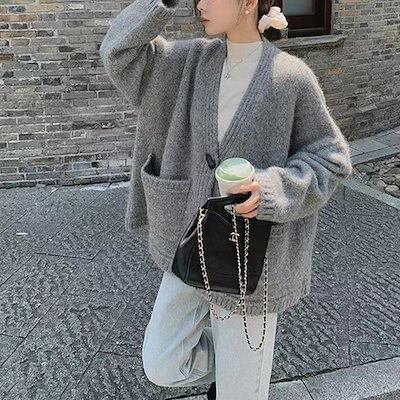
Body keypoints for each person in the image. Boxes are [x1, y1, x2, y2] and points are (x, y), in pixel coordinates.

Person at [99, 0, 353, 399]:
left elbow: (331, 158)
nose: (200, 4)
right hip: (190, 246)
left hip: (251, 262)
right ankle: (239, 371)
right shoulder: (184, 63)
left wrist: (272, 189)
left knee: (240, 395)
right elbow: (118, 52)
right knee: (163, 362)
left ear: (249, 2)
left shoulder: (290, 77)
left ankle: (242, 378)